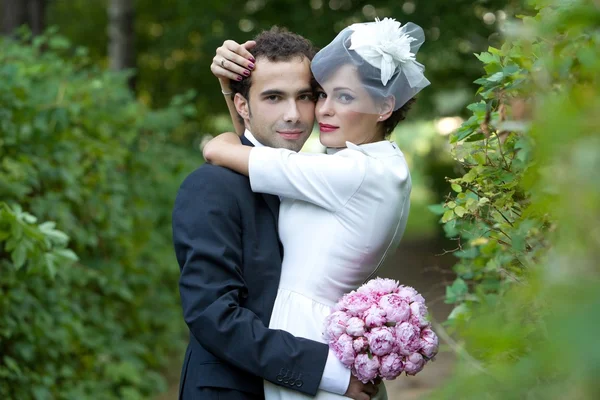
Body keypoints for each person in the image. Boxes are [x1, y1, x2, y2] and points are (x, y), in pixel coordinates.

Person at [204, 18, 430, 400]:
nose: (323, 110)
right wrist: (234, 90)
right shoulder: (374, 164)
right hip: (324, 343)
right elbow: (258, 152)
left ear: (384, 105)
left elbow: (220, 151)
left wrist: (229, 120)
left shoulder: (354, 173)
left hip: (312, 345)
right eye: (322, 94)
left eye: (344, 97)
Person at [173, 27, 377, 400]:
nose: (293, 115)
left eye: (305, 97)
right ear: (242, 106)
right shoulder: (210, 188)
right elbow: (213, 316)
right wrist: (331, 373)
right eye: (273, 97)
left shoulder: (317, 178)